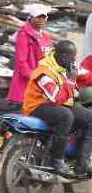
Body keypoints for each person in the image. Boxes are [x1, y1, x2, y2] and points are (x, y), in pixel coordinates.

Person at [23, 41, 92, 175]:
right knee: (66, 116)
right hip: (37, 106)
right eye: (72, 56)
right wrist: (71, 81)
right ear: (62, 56)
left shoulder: (66, 66)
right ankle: (57, 160)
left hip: (61, 104)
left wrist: (75, 77)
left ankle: (81, 164)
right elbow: (56, 98)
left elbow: (85, 76)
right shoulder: (44, 72)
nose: (74, 59)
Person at [6, 4, 53, 105]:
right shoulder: (24, 35)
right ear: (30, 18)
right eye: (38, 17)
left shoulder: (45, 37)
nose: (40, 20)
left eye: (43, 17)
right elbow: (21, 62)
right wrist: (35, 77)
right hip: (26, 84)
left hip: (41, 84)